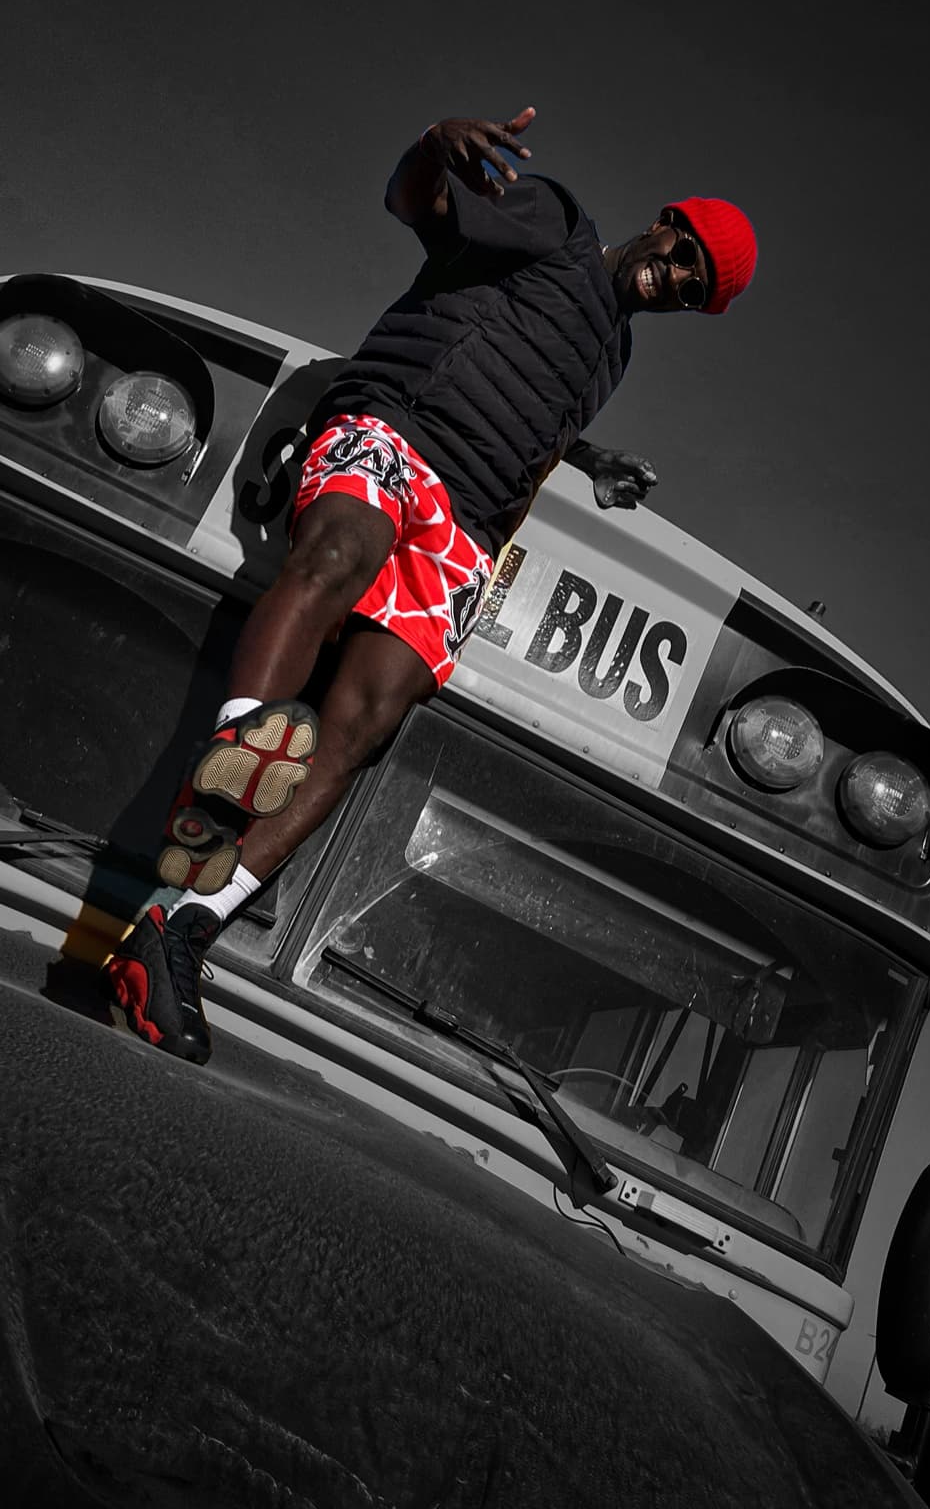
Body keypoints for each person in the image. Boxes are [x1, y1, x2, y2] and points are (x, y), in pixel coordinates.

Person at [104, 106, 757, 1062]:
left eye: (697, 290)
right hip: (396, 429)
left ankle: (179, 932)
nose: (681, 279)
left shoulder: (614, 354)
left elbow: (523, 391)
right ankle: (228, 789)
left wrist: (591, 456)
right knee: (334, 558)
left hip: (471, 521)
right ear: (667, 221)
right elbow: (417, 204)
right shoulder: (557, 224)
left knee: (371, 716)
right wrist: (431, 146)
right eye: (687, 253)